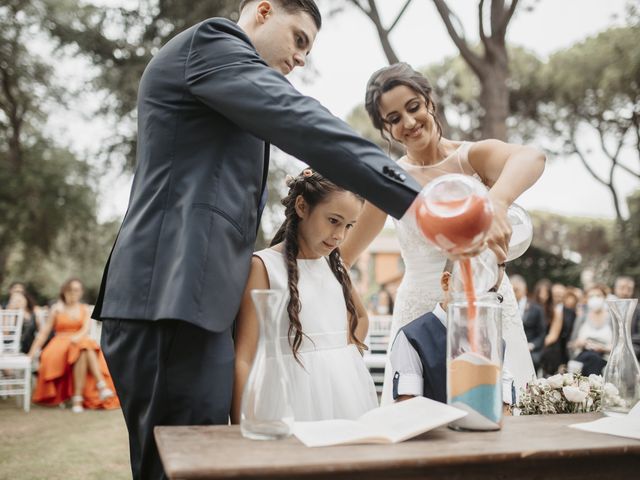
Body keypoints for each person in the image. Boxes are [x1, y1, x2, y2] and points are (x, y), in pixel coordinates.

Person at [91, 2, 423, 478]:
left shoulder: (227, 89)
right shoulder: (210, 43)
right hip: (169, 295)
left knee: (207, 465)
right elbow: (300, 119)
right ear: (264, 11)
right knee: (182, 467)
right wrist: (420, 200)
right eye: (299, 39)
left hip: (195, 306)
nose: (301, 59)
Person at [339, 62, 545, 404]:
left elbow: (532, 156)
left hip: (487, 302)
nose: (408, 122)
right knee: (419, 414)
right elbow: (343, 256)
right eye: (392, 119)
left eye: (413, 107)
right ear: (385, 130)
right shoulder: (387, 179)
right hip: (419, 311)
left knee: (504, 408)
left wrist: (496, 203)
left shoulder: (472, 157)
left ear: (429, 102)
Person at [232, 169, 377, 422]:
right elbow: (244, 357)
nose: (340, 236)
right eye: (333, 220)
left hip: (344, 394)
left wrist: (343, 357)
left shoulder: (335, 266)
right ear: (302, 206)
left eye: (349, 226)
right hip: (286, 398)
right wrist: (242, 423)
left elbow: (362, 318)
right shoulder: (264, 266)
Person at [390, 261, 515, 406]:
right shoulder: (413, 337)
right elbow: (407, 407)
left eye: (491, 291)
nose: (481, 299)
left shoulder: (495, 343)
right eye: (472, 286)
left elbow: (504, 409)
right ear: (446, 282)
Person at [29, 279, 119, 412]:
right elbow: (44, 333)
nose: (73, 293)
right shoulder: (57, 309)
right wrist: (31, 354)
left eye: (76, 290)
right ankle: (101, 386)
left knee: (84, 347)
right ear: (64, 292)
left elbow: (85, 328)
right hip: (59, 343)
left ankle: (78, 398)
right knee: (86, 345)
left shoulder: (84, 309)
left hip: (79, 341)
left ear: (81, 292)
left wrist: (77, 337)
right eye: (70, 290)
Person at [568, 285, 612, 376]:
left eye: (598, 295)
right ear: (586, 299)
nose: (595, 299)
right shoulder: (582, 318)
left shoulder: (612, 318)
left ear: (605, 297)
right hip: (584, 355)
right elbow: (571, 344)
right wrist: (579, 343)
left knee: (594, 359)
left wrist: (603, 348)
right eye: (591, 296)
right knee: (591, 357)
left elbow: (618, 345)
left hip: (604, 357)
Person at [510, 275, 545, 371]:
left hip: (530, 350)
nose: (514, 292)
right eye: (512, 289)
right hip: (511, 349)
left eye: (516, 289)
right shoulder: (506, 307)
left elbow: (542, 334)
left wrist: (532, 345)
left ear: (524, 290)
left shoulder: (536, 308)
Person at [6, 290, 38, 354]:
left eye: (20, 300)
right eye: (15, 300)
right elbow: (6, 333)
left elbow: (41, 332)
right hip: (12, 349)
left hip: (29, 347)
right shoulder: (9, 315)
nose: (18, 302)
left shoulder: (34, 313)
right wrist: (11, 311)